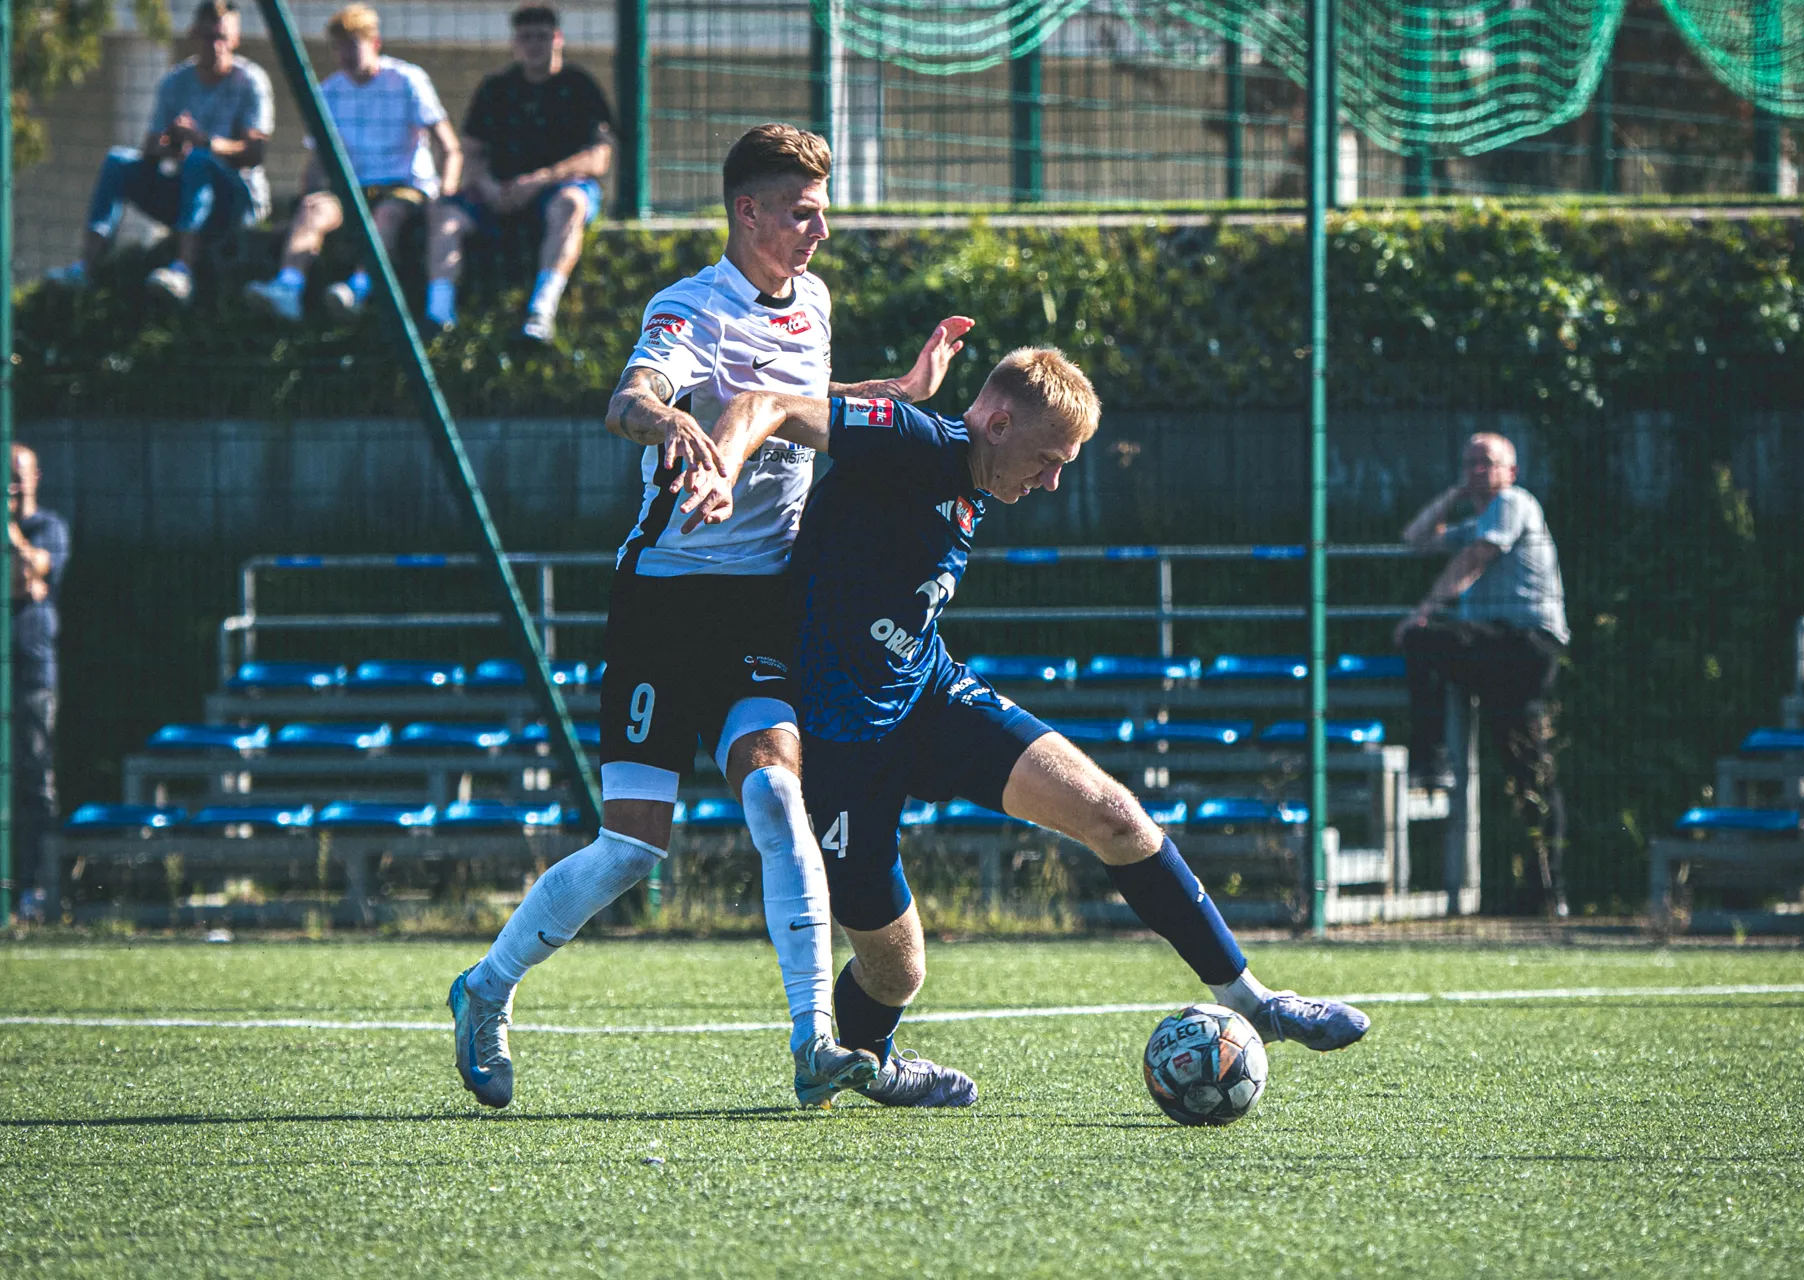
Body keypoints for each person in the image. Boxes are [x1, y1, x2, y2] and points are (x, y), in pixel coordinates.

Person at [676, 350, 1371, 1108]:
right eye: (1049, 460)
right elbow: (768, 402)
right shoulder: (913, 441)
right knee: (898, 972)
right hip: (840, 742)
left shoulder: (979, 479)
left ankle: (1253, 1001)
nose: (1053, 482)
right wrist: (722, 468)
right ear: (999, 424)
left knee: (1116, 816)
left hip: (930, 695)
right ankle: (868, 1062)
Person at [447, 122, 974, 1110]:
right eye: (803, 213)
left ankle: (814, 1039)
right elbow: (630, 397)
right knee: (630, 848)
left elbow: (802, 402)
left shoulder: (813, 301)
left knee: (778, 799)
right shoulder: (691, 307)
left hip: (765, 603)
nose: (820, 230)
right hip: (664, 599)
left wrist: (899, 392)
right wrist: (670, 417)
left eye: (822, 212)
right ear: (747, 211)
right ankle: (483, 988)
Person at [1395, 432, 1570, 917]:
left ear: (1511, 472)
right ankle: (1543, 891)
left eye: (1487, 463)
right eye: (1469, 462)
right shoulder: (1478, 519)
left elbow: (1474, 560)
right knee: (1525, 768)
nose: (1477, 471)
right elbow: (1415, 538)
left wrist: (1425, 609)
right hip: (1497, 647)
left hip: (1524, 645)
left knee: (1423, 639)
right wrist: (1452, 495)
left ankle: (1431, 757)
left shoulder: (1513, 504)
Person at [43, 0, 273, 306]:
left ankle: (182, 271)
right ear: (194, 34)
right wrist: (173, 143)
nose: (216, 46)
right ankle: (85, 268)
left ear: (236, 39)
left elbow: (254, 152)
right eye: (208, 37)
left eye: (222, 38)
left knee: (199, 159)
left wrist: (203, 142)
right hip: (186, 192)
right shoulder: (176, 82)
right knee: (118, 160)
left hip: (236, 201)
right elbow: (150, 148)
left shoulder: (251, 81)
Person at [243, 4, 460, 324]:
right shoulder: (328, 92)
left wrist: (446, 193)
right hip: (350, 189)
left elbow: (449, 146)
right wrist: (307, 199)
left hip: (403, 187)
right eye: (339, 46)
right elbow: (318, 160)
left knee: (386, 214)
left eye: (352, 45)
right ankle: (288, 287)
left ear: (375, 43)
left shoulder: (407, 80)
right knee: (314, 209)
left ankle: (357, 290)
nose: (345, 54)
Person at [424, 5, 614, 343]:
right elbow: (471, 152)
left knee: (572, 203)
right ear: (515, 43)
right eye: (526, 37)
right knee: (444, 214)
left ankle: (541, 311)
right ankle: (439, 316)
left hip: (554, 190)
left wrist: (541, 179)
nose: (534, 45)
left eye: (542, 36)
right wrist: (488, 186)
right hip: (497, 193)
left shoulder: (579, 86)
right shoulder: (496, 88)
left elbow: (599, 157)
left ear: (558, 38)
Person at [10, 445, 71, 903]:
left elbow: (32, 569)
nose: (10, 484)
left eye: (17, 475)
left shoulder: (49, 528)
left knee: (34, 777)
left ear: (36, 477)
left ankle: (36, 887)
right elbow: (21, 582)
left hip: (32, 674)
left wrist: (9, 533)